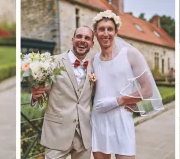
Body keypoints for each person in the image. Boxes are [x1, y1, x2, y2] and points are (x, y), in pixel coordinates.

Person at [90, 11, 164, 159]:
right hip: (99, 120)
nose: (106, 33)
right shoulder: (94, 60)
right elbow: (94, 92)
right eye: (101, 29)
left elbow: (148, 90)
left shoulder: (130, 54)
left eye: (109, 29)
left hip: (122, 120)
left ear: (116, 31)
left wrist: (119, 100)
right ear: (95, 33)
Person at [31, 27, 98, 159]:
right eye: (79, 36)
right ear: (72, 40)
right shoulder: (53, 62)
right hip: (57, 133)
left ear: (92, 43)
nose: (82, 41)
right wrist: (34, 96)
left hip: (83, 136)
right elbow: (42, 91)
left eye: (87, 38)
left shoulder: (93, 67)